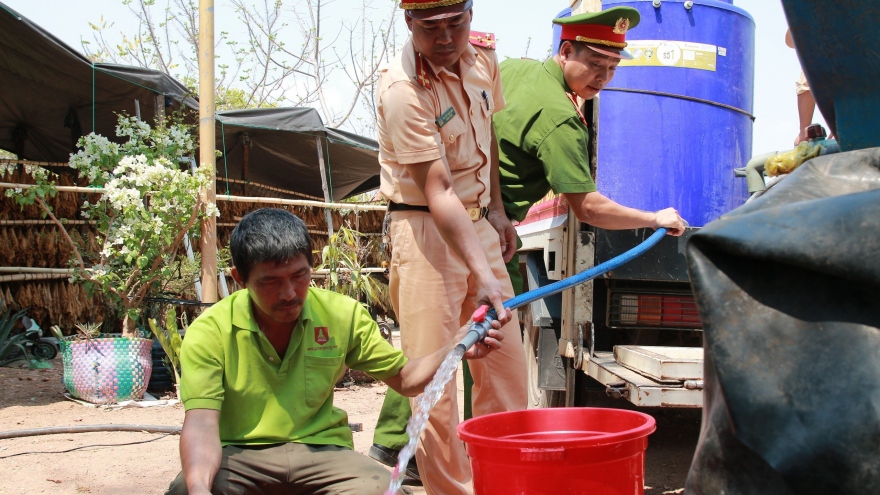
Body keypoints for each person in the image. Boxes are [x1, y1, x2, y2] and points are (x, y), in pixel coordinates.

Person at [164, 208, 505, 495]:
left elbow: (405, 379)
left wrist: (454, 348)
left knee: (380, 490)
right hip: (240, 457)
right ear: (239, 278)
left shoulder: (342, 315)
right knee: (184, 490)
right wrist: (198, 491)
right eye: (270, 281)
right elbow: (201, 425)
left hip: (321, 452)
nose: (288, 293)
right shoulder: (210, 331)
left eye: (299, 276)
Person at [371, 0, 528, 493]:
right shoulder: (401, 89)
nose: (445, 38)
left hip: (478, 225)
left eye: (456, 23)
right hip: (424, 237)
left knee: (506, 372)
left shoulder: (484, 58)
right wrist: (481, 271)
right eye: (431, 27)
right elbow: (437, 190)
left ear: (471, 15)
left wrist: (498, 210)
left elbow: (490, 138)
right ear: (408, 22)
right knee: (436, 387)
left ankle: (504, 484)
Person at [491, 7, 685, 295]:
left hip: (460, 218)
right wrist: (654, 218)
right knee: (497, 334)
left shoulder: (512, 69)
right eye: (595, 64)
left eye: (612, 67)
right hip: (489, 236)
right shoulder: (561, 119)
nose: (604, 77)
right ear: (567, 51)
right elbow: (589, 209)